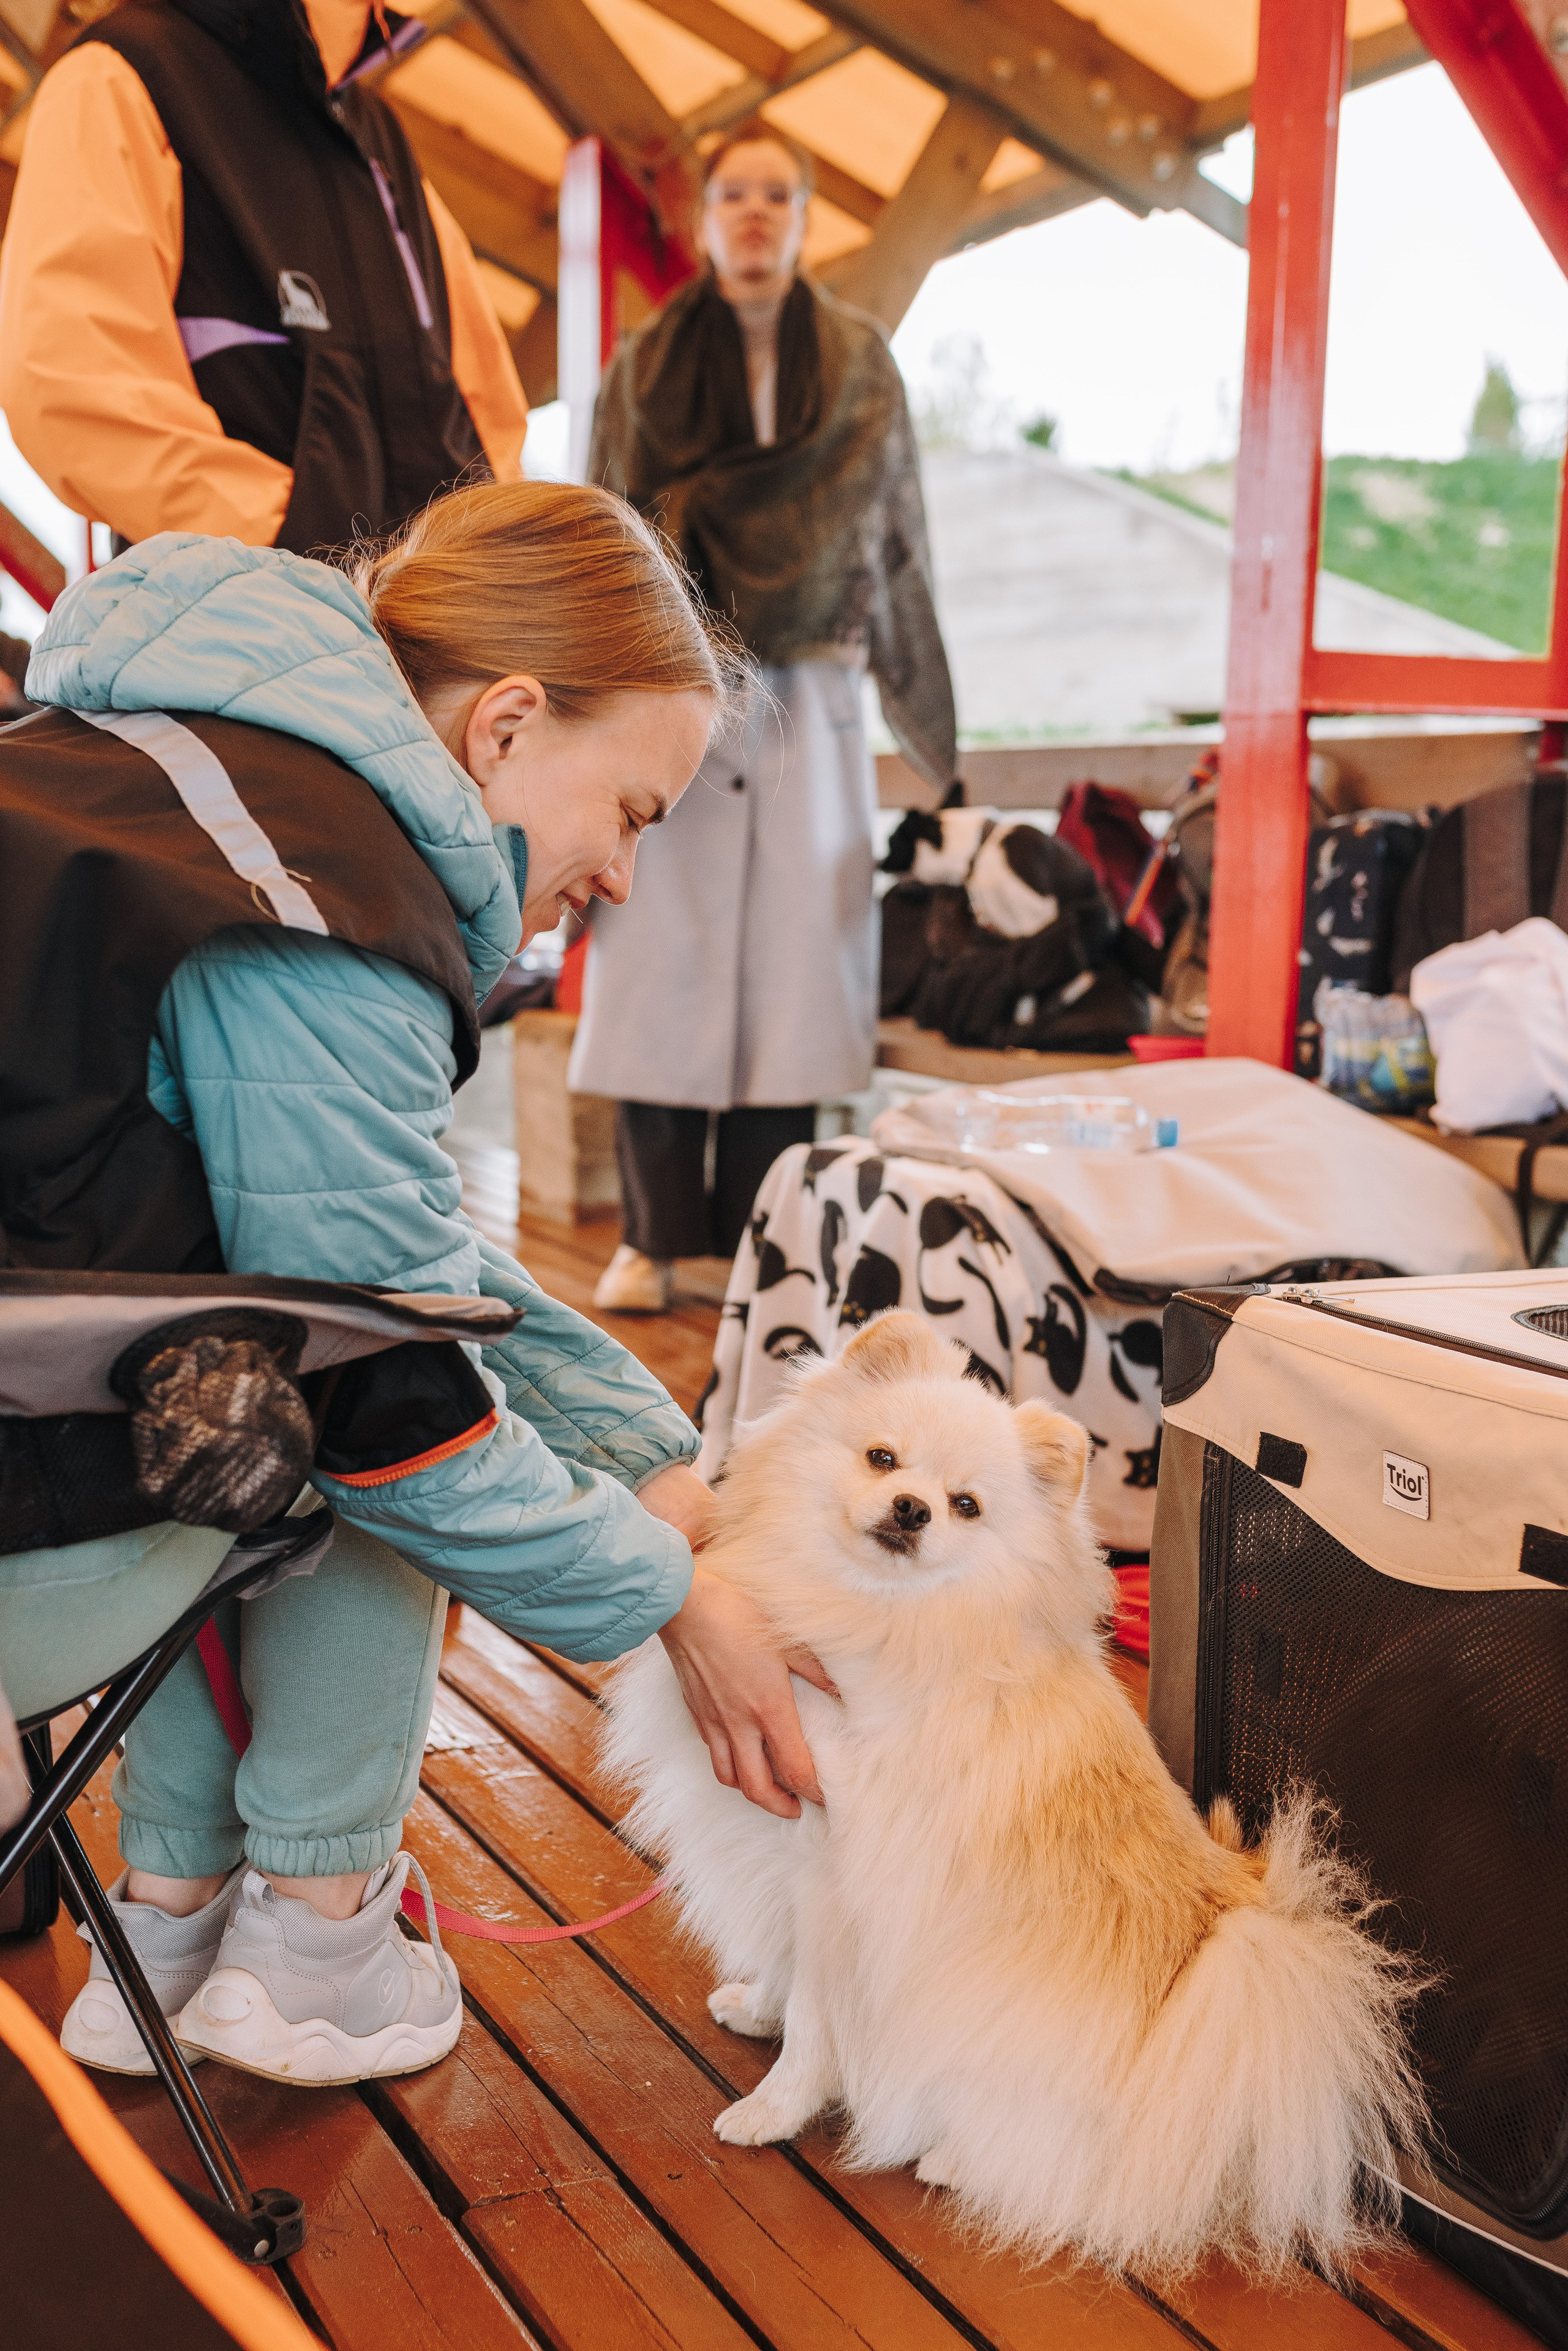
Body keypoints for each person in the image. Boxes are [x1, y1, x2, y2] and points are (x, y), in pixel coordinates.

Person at [0, 480, 831, 2086]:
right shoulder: (319, 891)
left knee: (262, 1373)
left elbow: (384, 1246)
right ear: (509, 727)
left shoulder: (156, 776)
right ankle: (318, 1939)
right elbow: (394, 1370)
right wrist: (678, 1601)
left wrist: (646, 1446)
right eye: (639, 812)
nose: (630, 875)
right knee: (360, 1443)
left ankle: (168, 1919)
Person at [575, 123, 959, 1315]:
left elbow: (896, 541)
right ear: (703, 216)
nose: (752, 214)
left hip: (810, 689)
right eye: (732, 193)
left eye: (775, 195)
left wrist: (932, 733)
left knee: (794, 985)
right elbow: (602, 530)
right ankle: (651, 1237)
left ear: (800, 216)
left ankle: (764, 1240)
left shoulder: (856, 363)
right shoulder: (643, 365)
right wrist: (588, 690)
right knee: (660, 966)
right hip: (671, 685)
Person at [0, 0, 527, 552]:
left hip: (427, 625)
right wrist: (291, 550)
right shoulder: (118, 76)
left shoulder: (379, 137)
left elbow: (486, 406)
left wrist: (488, 575)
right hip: (248, 623)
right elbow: (72, 383)